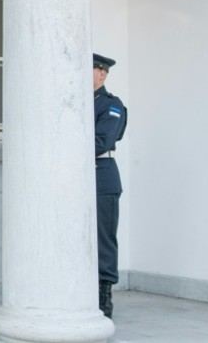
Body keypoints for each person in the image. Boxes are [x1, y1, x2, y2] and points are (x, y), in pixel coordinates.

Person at [93, 53, 127, 318]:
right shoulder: (76, 103)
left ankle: (104, 296)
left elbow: (100, 141)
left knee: (103, 239)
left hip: (101, 175)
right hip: (75, 177)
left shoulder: (111, 105)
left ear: (102, 73)